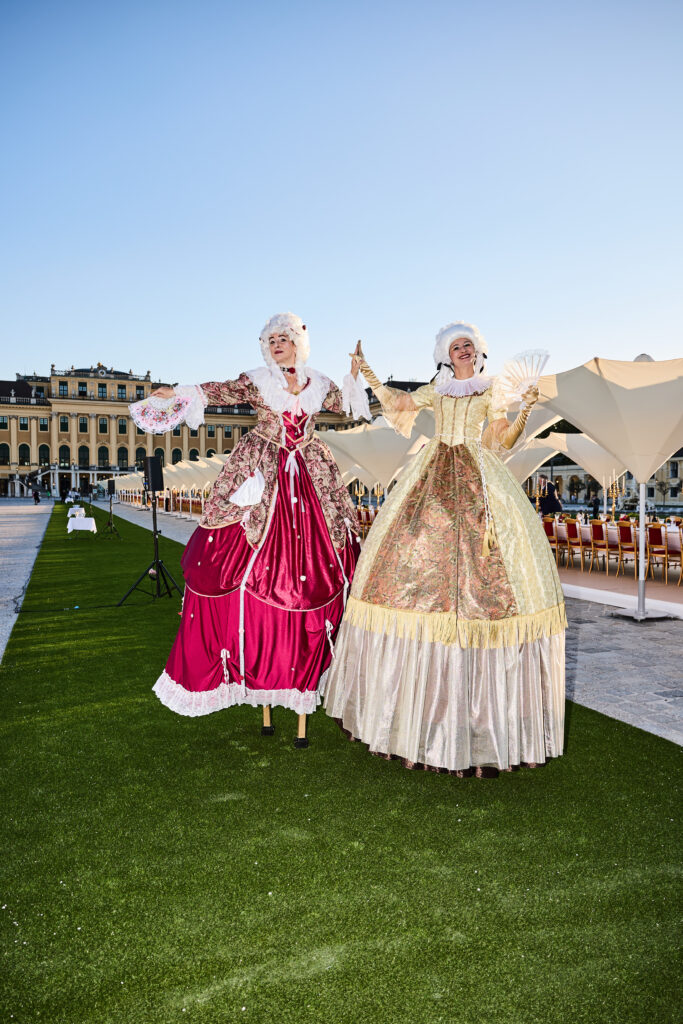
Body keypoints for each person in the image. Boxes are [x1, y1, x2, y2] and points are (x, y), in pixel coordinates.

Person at [323, 322, 566, 776]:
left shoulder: (491, 388)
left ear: (478, 351)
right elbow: (399, 403)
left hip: (479, 478)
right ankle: (422, 712)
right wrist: (369, 372)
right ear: (445, 354)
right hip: (431, 481)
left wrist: (525, 411)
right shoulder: (437, 388)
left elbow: (500, 440)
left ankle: (480, 718)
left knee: (489, 579)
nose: (463, 349)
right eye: (455, 345)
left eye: (468, 343)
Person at [132, 313, 369, 746]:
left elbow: (348, 402)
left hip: (312, 473)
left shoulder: (319, 382)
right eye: (271, 339)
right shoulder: (256, 380)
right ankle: (258, 679)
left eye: (285, 337)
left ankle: (303, 680)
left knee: (329, 563)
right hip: (263, 469)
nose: (278, 343)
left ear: (299, 342)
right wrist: (181, 391)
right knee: (237, 567)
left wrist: (355, 375)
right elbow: (219, 390)